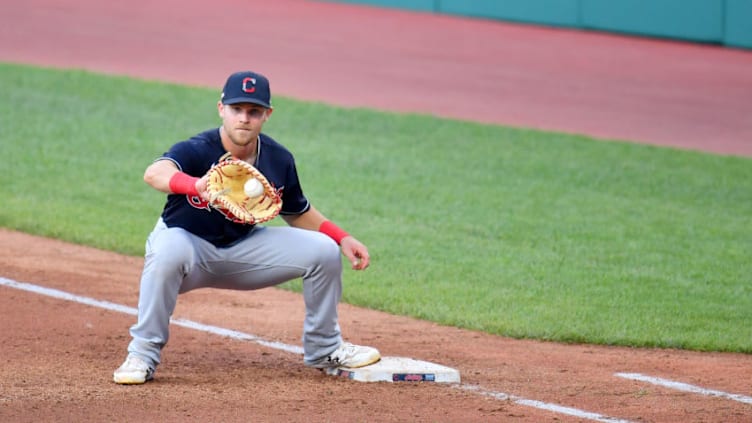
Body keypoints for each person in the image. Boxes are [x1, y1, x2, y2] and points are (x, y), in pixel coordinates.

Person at [113, 70, 380, 384]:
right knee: (168, 247)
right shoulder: (198, 149)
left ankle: (325, 349)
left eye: (254, 111)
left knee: (324, 251)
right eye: (237, 109)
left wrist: (342, 237)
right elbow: (154, 173)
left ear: (267, 114)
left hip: (243, 253)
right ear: (221, 109)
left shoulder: (278, 159)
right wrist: (195, 185)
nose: (244, 118)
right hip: (189, 254)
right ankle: (142, 355)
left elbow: (297, 211)